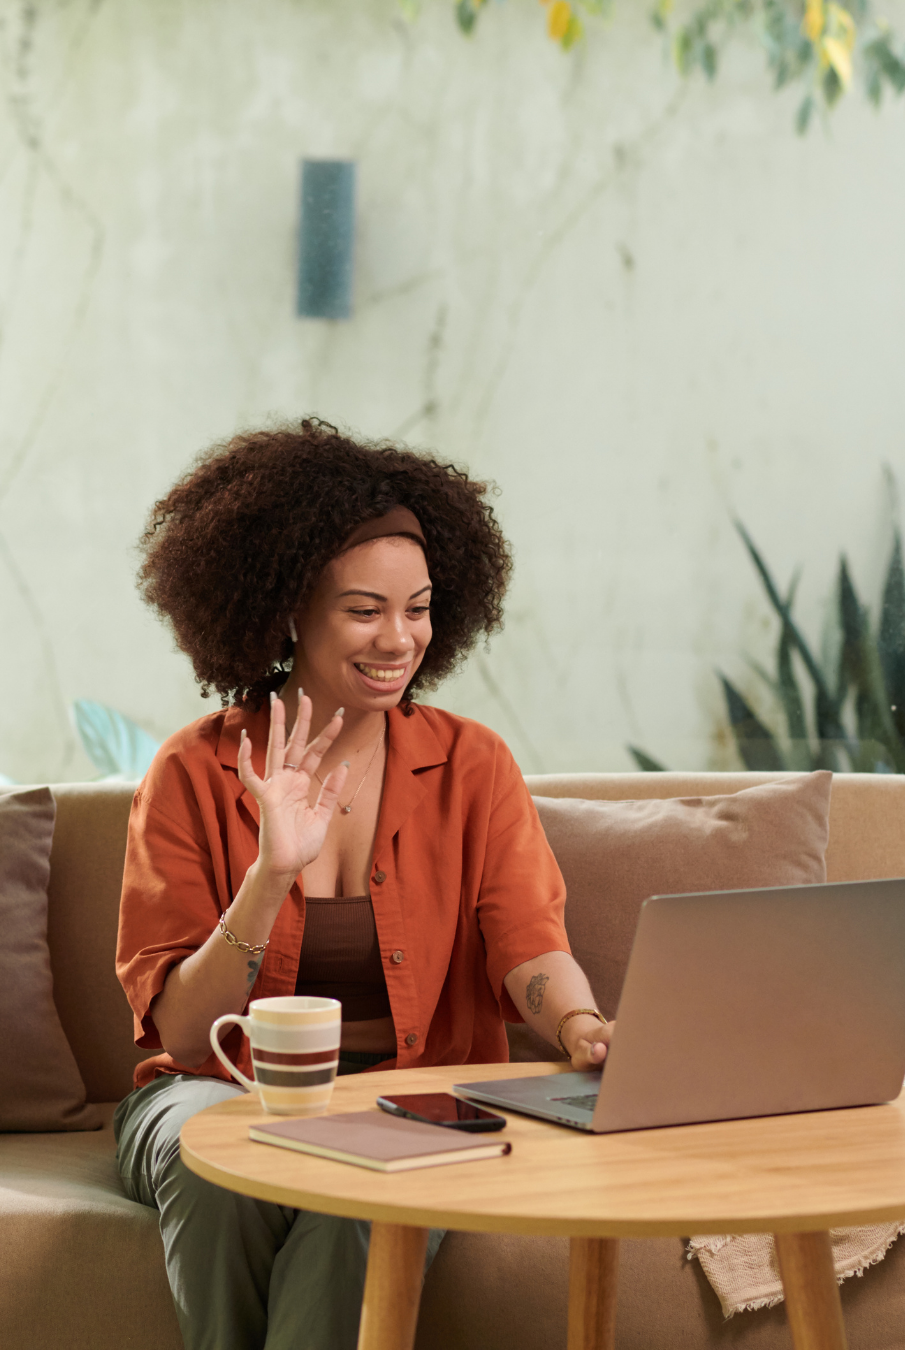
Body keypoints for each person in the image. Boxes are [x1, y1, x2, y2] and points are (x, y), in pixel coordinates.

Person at [114, 419, 613, 1350]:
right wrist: (270, 875)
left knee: (363, 1191)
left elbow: (529, 943)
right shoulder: (191, 772)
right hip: (213, 1091)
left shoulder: (473, 764)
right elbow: (184, 1035)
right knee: (217, 1166)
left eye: (418, 608)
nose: (400, 638)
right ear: (285, 612)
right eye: (363, 610)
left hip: (412, 1098)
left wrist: (582, 1027)